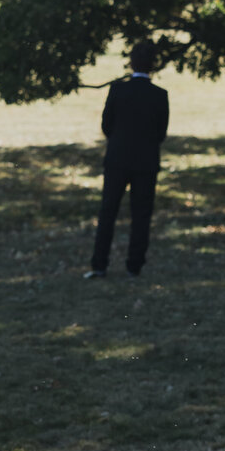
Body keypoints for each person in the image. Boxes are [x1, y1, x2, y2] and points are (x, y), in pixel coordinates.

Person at [84, 41, 169, 280]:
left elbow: (106, 125)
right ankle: (134, 266)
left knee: (108, 212)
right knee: (141, 214)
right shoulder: (159, 95)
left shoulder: (118, 90)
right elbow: (161, 133)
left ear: (131, 62)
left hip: (117, 159)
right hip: (146, 162)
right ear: (153, 65)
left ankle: (99, 264)